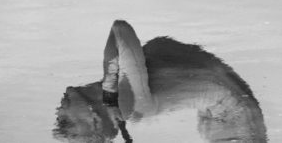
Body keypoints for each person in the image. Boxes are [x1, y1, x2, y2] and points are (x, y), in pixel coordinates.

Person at [52, 20, 268, 142]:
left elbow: (120, 29)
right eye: (67, 122)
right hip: (233, 119)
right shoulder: (129, 102)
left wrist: (109, 85)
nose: (59, 110)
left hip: (228, 112)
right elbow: (121, 31)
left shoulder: (122, 96)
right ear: (94, 120)